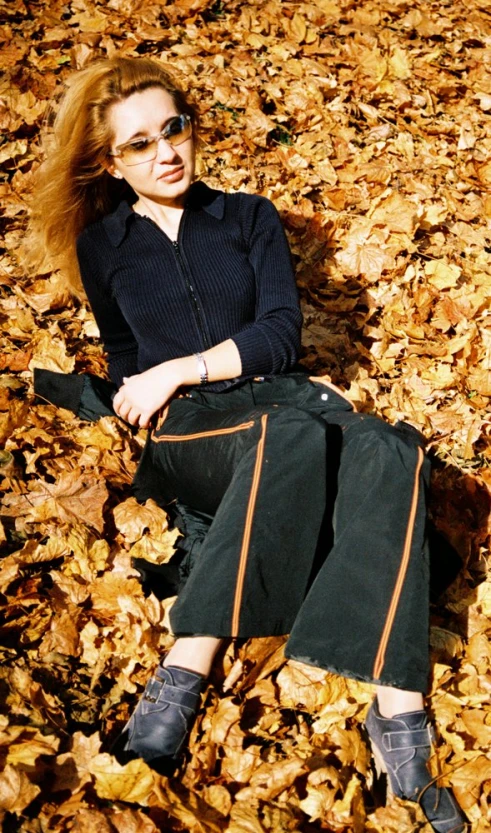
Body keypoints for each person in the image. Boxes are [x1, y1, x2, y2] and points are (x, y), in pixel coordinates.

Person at [27, 56, 466, 833]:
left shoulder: (247, 217)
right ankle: (187, 663)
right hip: (193, 432)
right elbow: (129, 363)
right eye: (138, 144)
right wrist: (157, 391)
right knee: (296, 429)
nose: (165, 151)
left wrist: (188, 366)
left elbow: (278, 334)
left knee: (390, 447)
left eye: (173, 128)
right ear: (109, 162)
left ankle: (396, 711)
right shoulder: (106, 248)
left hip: (275, 405)